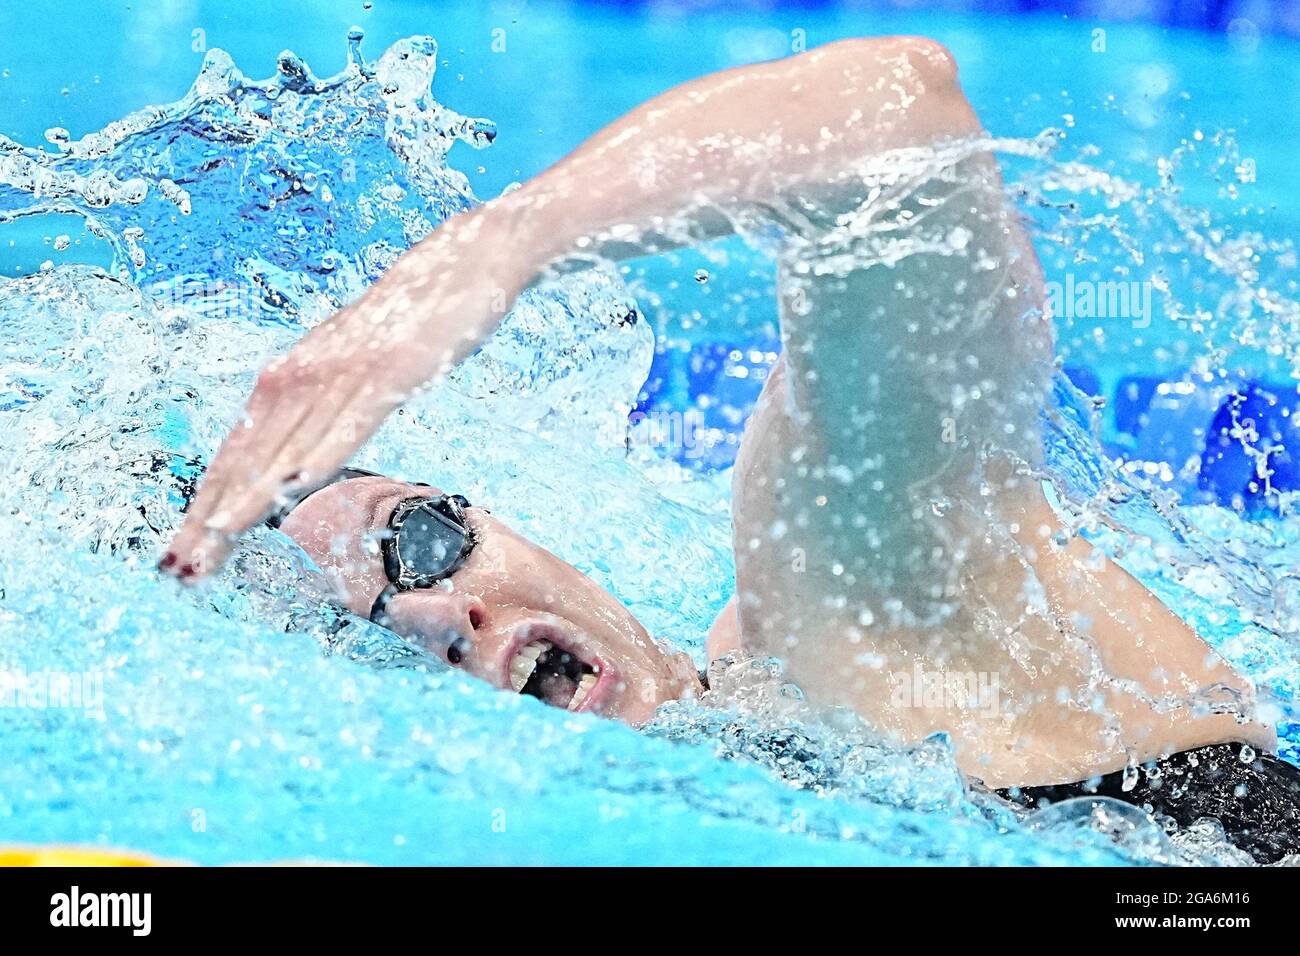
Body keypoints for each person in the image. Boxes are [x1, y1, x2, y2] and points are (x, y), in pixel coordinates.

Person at [160, 36, 1299, 860]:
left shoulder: (838, 609)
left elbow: (894, 115)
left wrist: (493, 252)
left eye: (415, 544)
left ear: (501, 521)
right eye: (358, 638)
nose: (433, 619)